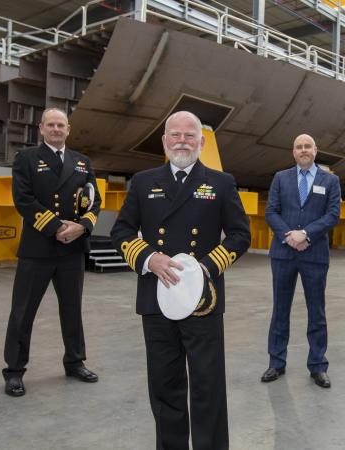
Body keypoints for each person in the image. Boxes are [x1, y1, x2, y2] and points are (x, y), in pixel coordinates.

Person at [111, 111, 250, 449]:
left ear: (201, 143)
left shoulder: (221, 182)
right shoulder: (143, 182)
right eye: (175, 135)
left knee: (207, 387)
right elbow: (121, 231)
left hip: (203, 301)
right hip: (157, 300)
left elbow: (239, 235)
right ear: (164, 141)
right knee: (165, 387)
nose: (182, 142)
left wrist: (207, 266)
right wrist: (149, 258)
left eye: (190, 136)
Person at [2, 108, 102, 397]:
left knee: (72, 309)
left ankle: (75, 361)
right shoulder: (27, 158)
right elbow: (23, 200)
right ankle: (15, 371)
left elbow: (94, 201)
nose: (56, 129)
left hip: (72, 250)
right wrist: (58, 227)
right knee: (23, 312)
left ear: (68, 129)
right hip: (39, 248)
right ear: (41, 128)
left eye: (61, 125)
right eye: (51, 125)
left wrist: (82, 226)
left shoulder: (82, 162)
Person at [261, 134, 341, 389]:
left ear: (316, 150)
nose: (303, 150)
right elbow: (271, 211)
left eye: (308, 146)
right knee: (280, 309)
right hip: (284, 253)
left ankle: (318, 365)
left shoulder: (331, 180)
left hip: (314, 254)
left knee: (316, 311)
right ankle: (276, 362)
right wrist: (290, 236)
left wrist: (306, 234)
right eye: (299, 147)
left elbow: (332, 215)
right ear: (293, 152)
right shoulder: (280, 178)